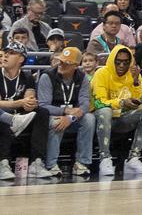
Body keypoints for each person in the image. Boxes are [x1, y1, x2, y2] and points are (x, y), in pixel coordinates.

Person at [90, 44, 142, 176]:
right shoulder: (101, 74)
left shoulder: (134, 75)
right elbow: (99, 102)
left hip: (123, 117)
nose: (121, 66)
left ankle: (133, 159)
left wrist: (136, 82)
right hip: (102, 119)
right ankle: (105, 159)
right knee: (105, 111)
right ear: (112, 60)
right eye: (118, 62)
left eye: (126, 63)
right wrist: (121, 102)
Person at [37, 46, 94, 177]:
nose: (61, 65)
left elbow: (85, 104)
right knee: (56, 122)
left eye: (66, 63)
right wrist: (65, 111)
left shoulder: (83, 78)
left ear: (75, 65)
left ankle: (82, 163)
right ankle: (51, 164)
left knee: (89, 119)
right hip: (51, 115)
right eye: (60, 61)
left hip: (72, 118)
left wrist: (70, 118)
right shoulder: (47, 76)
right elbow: (43, 106)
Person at [0, 42, 53, 179]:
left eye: (11, 53)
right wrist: (18, 103)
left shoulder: (27, 77)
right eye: (5, 53)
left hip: (21, 117)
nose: (5, 56)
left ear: (21, 59)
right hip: (5, 115)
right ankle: (3, 163)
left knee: (42, 112)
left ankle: (36, 163)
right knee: (4, 114)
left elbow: (29, 98)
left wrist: (29, 103)